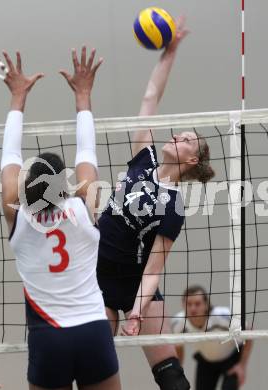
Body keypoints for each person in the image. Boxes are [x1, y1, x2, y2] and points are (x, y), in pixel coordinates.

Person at [96, 17, 215, 390]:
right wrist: (171, 50)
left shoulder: (174, 205)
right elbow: (151, 97)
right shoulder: (142, 157)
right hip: (96, 275)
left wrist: (137, 310)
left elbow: (152, 269)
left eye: (187, 141)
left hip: (135, 283)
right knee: (93, 363)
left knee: (170, 374)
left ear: (192, 161)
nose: (178, 135)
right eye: (180, 133)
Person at [0, 47, 121, 390]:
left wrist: (17, 98)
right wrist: (83, 95)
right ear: (61, 183)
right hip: (92, 331)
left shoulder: (17, 217)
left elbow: (9, 155)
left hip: (47, 336)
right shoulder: (83, 209)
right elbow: (87, 151)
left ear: (24, 187)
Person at [172, 285, 253, 390]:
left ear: (206, 304)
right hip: (206, 361)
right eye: (189, 304)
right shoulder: (178, 323)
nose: (193, 308)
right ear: (183, 305)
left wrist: (242, 366)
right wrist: (177, 373)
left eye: (197, 304)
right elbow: (178, 347)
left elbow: (249, 332)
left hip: (231, 358)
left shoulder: (222, 316)